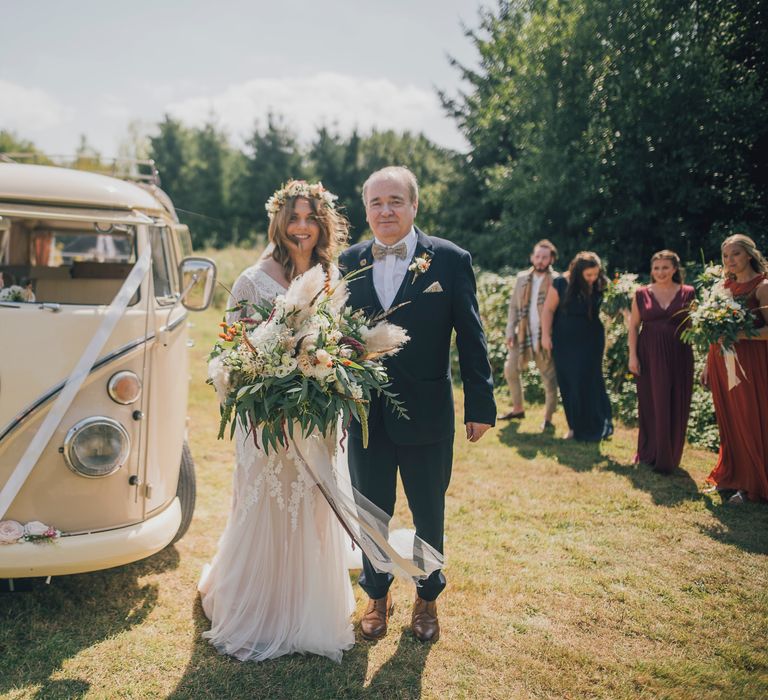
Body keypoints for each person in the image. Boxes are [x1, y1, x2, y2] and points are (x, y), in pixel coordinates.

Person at [339, 166, 496, 643]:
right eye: (375, 203)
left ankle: (427, 598)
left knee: (429, 509)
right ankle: (377, 594)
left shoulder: (448, 259)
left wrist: (481, 402)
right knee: (371, 509)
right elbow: (332, 333)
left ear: (413, 206)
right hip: (365, 412)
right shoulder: (348, 261)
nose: (385, 211)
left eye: (394, 201)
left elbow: (471, 335)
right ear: (366, 210)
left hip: (427, 410)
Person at [702, 234, 768, 504]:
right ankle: (731, 475)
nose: (730, 260)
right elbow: (713, 330)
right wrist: (708, 365)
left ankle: (751, 483)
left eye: (736, 254)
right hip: (721, 362)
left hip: (750, 365)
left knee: (749, 419)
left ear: (750, 255)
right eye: (726, 256)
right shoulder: (722, 286)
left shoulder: (762, 286)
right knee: (729, 420)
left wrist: (740, 335)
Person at [628, 250, 695, 473]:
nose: (660, 272)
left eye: (665, 267)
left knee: (676, 400)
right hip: (649, 354)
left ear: (675, 269)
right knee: (651, 402)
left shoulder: (688, 293)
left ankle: (671, 454)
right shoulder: (640, 294)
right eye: (656, 268)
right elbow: (633, 327)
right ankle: (650, 451)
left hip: (679, 354)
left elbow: (694, 327)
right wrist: (632, 356)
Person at [541, 251, 612, 441]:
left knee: (591, 380)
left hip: (592, 338)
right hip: (565, 339)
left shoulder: (599, 283)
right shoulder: (561, 283)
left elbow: (611, 306)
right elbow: (548, 309)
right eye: (588, 275)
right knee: (571, 381)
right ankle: (574, 427)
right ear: (578, 271)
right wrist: (545, 336)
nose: (592, 278)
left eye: (595, 274)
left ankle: (597, 424)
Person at [500, 239, 560, 431]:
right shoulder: (522, 279)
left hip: (545, 336)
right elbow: (513, 309)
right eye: (538, 256)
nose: (540, 260)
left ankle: (548, 418)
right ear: (532, 257)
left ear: (551, 259)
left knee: (549, 379)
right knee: (510, 370)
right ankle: (518, 408)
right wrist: (510, 332)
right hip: (522, 334)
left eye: (545, 257)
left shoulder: (557, 281)